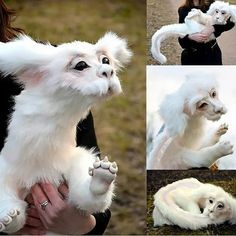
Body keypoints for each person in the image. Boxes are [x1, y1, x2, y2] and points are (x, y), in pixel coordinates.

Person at [0, 1, 110, 234]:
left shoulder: (48, 67)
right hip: (11, 202)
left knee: (82, 162)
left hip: (62, 213)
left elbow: (86, 161)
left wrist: (82, 224)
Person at [178, 0, 235, 65]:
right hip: (191, 57)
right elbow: (181, 37)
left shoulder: (212, 5)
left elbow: (231, 22)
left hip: (212, 55)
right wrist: (190, 37)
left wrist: (213, 28)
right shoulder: (183, 10)